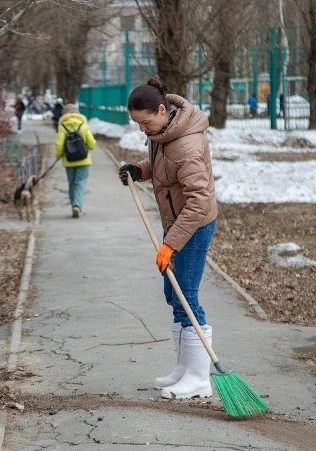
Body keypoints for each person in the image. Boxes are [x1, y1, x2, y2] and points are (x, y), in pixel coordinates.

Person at [118, 78, 218, 400]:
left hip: (194, 225)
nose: (142, 130)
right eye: (138, 124)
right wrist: (140, 170)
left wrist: (171, 244)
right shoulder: (163, 133)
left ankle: (199, 378)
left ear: (162, 110)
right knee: (173, 294)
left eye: (145, 122)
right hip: (176, 223)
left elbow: (199, 202)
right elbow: (165, 167)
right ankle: (183, 369)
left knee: (186, 296)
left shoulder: (186, 145)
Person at [55, 103, 96, 218]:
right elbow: (92, 143)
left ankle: (74, 205)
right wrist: (89, 148)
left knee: (72, 184)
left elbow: (59, 144)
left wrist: (58, 155)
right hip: (83, 160)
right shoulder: (83, 125)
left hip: (69, 161)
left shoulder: (62, 127)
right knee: (80, 183)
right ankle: (77, 205)